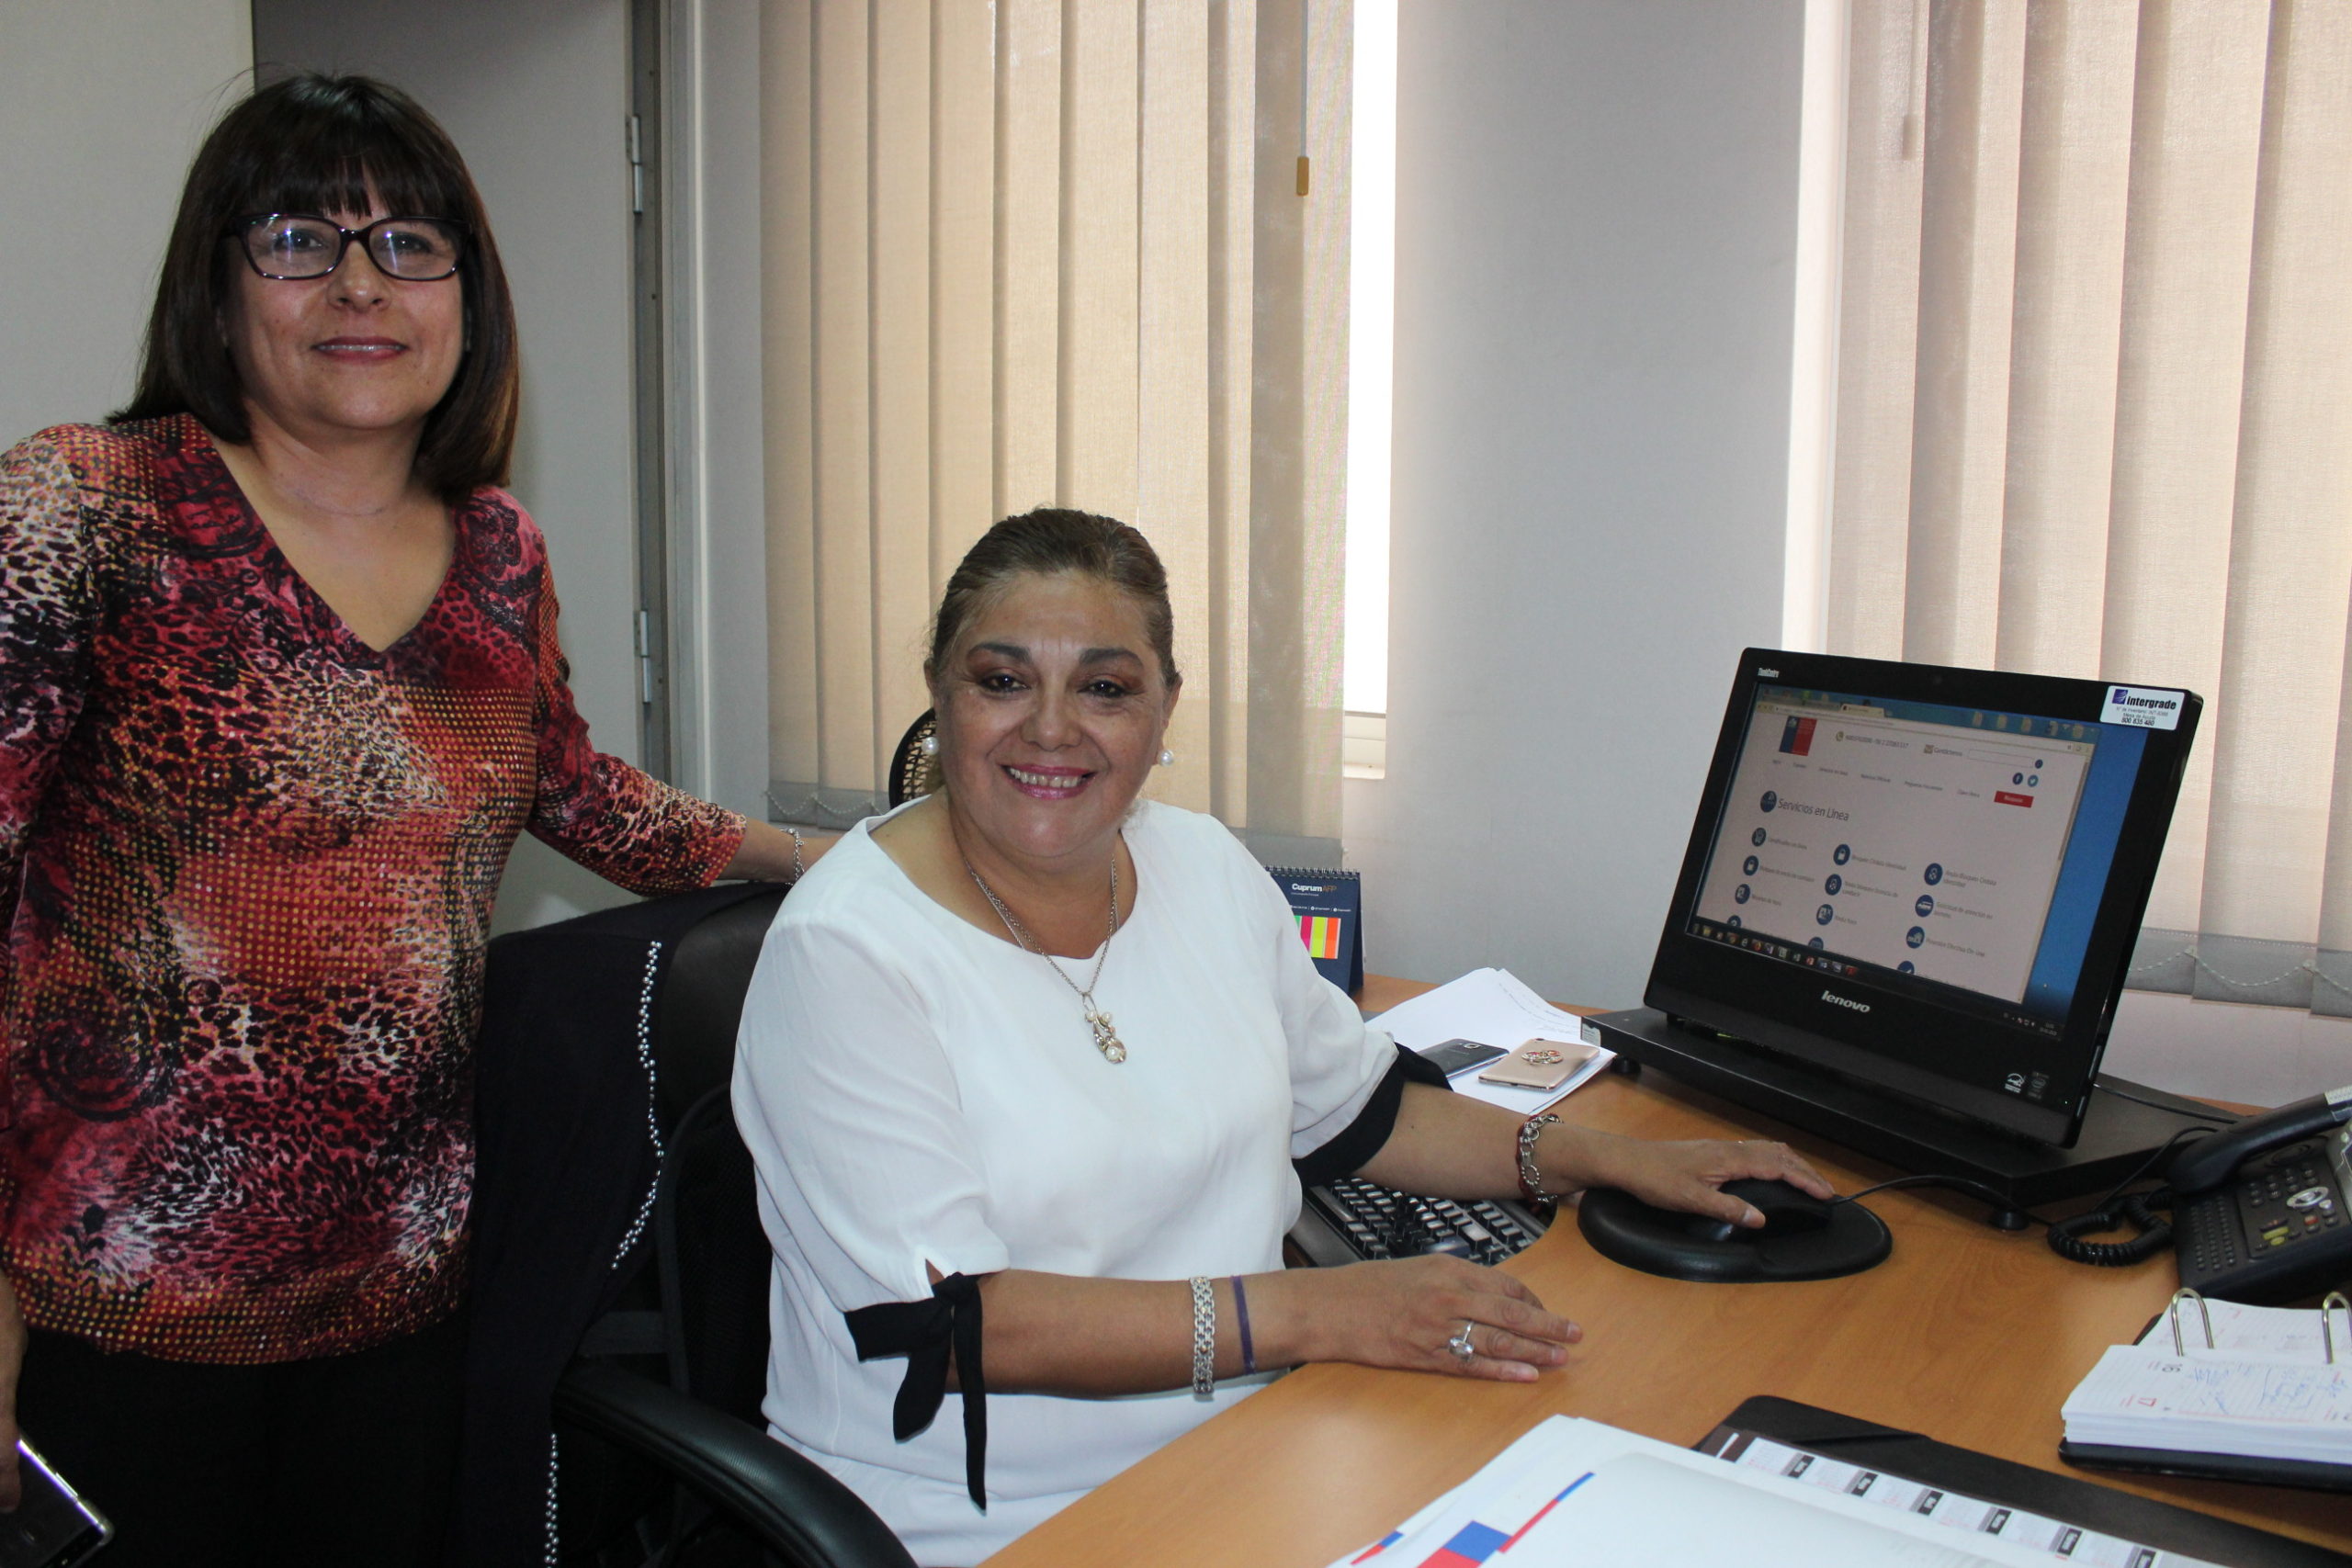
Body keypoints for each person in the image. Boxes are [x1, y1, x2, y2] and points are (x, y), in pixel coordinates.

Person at [0, 73, 813, 1565]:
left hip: (400, 1302)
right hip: (111, 1306)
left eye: (410, 243)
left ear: (466, 294)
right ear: (218, 285)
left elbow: (569, 781)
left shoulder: (499, 547)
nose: (361, 283)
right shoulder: (89, 505)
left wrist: (827, 860)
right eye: (298, 238)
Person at [731, 508, 1829, 1564]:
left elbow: (1361, 1116)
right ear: (940, 691)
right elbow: (962, 1329)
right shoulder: (846, 952)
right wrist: (1321, 1313)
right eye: (1002, 680)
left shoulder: (1200, 866)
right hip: (985, 1521)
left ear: (1165, 708)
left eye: (1105, 687)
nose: (1052, 728)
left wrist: (1599, 1157)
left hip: (1247, 1447)